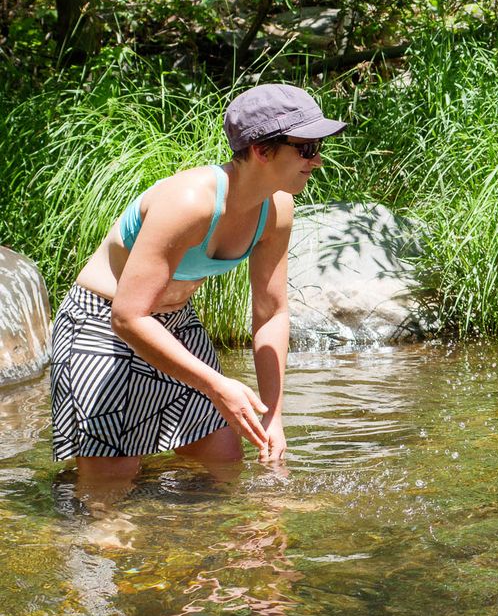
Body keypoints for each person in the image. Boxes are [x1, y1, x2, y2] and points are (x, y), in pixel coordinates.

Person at [49, 84, 346, 484]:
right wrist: (216, 384)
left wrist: (274, 415)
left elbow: (271, 312)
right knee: (110, 490)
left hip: (176, 322)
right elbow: (127, 316)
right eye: (307, 148)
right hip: (101, 325)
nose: (318, 160)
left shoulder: (278, 208)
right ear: (261, 150)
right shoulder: (188, 202)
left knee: (224, 463)